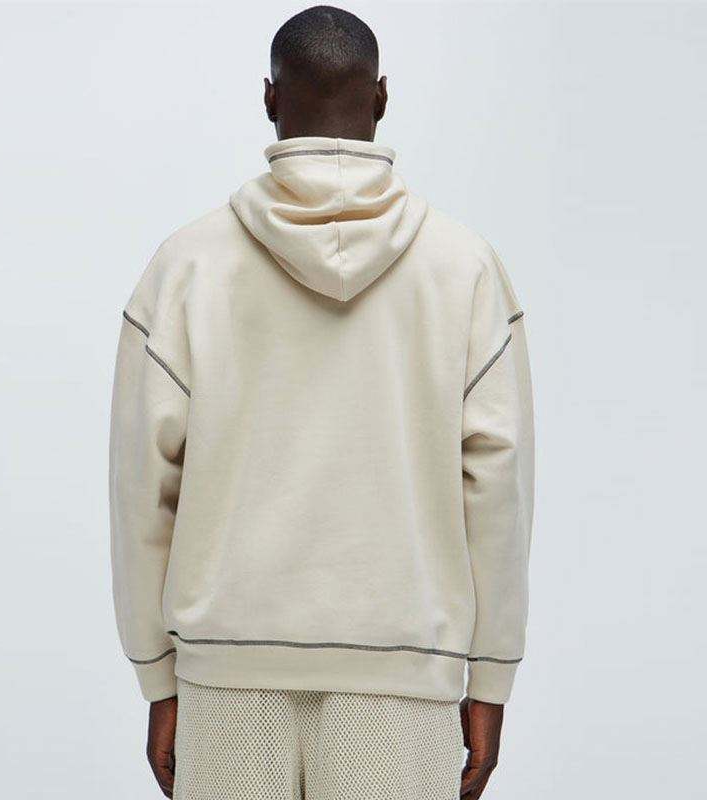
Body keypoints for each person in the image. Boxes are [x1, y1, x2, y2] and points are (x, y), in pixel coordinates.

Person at [109, 5, 534, 799]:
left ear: (270, 98)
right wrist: (492, 675)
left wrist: (156, 676)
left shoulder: (187, 267)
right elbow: (498, 489)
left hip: (227, 678)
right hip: (405, 678)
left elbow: (142, 488)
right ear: (381, 97)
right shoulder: (465, 269)